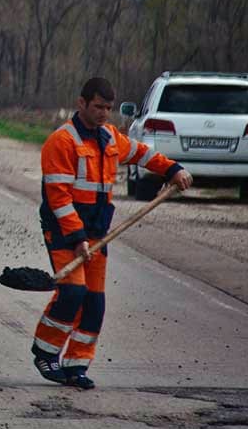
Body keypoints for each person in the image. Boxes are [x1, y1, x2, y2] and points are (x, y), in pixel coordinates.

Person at [30, 76, 191, 389]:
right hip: (64, 232)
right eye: (98, 107)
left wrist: (172, 169)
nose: (104, 113)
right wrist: (77, 239)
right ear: (81, 104)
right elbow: (59, 198)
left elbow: (143, 154)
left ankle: (76, 366)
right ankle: (46, 352)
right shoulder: (61, 142)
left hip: (98, 233)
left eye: (108, 108)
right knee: (72, 292)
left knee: (94, 302)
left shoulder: (109, 137)